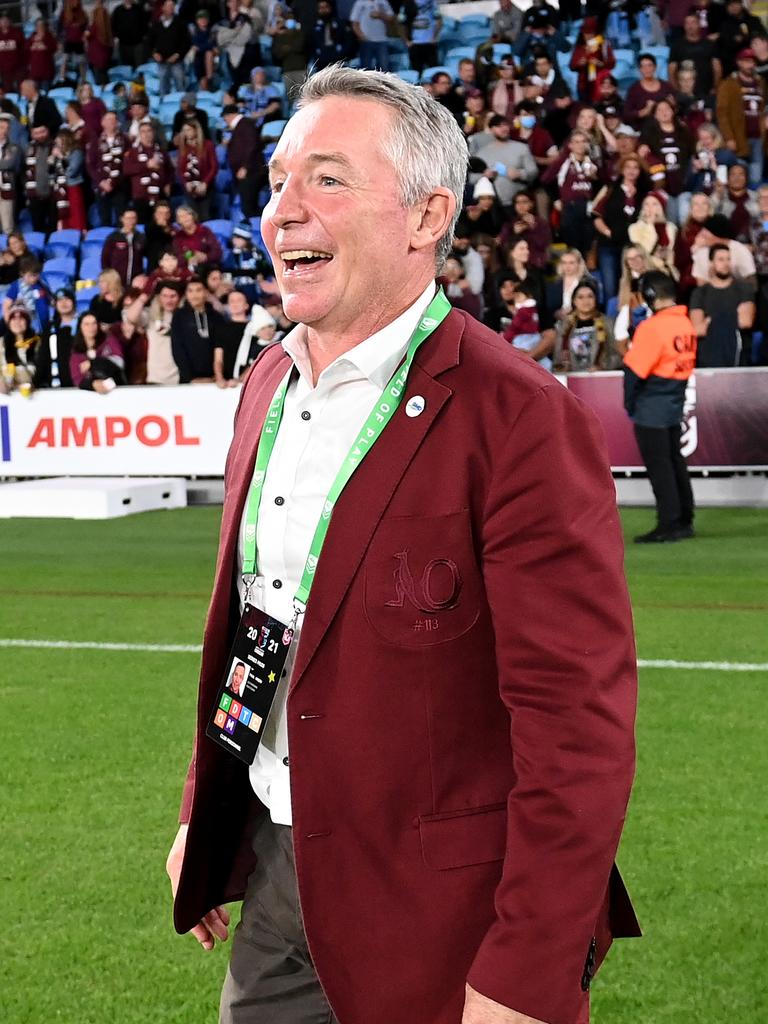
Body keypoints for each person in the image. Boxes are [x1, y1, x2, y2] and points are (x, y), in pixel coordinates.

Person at [167, 65, 638, 1024]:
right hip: (277, 871)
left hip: (443, 911)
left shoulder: (519, 416)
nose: (282, 212)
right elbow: (263, 623)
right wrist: (205, 806)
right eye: (277, 180)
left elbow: (576, 728)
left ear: (427, 216)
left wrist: (526, 972)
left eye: (326, 180)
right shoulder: (266, 385)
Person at [623, 271, 697, 543]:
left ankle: (668, 523)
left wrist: (630, 402)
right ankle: (685, 518)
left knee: (660, 465)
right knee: (674, 459)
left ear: (651, 295)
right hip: (674, 397)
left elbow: (634, 371)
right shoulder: (685, 324)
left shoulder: (653, 327)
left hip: (652, 400)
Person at [592, 153, 646, 304]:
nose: (631, 171)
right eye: (628, 167)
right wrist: (609, 233)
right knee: (610, 287)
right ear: (622, 170)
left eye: (635, 168)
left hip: (631, 248)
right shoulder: (610, 189)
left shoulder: (643, 193)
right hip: (609, 245)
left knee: (631, 284)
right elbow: (596, 216)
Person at [689, 243, 756, 365]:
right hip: (708, 358)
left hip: (738, 357)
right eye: (720, 259)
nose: (726, 263)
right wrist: (733, 316)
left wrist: (709, 320)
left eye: (728, 259)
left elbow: (746, 321)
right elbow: (698, 329)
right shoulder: (700, 293)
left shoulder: (744, 289)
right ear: (711, 262)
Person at [716, 46, 767, 184]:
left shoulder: (761, 83)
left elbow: (764, 108)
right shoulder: (728, 84)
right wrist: (729, 137)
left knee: (756, 177)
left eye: (752, 62)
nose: (750, 65)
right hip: (738, 138)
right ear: (739, 62)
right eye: (746, 61)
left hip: (758, 137)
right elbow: (722, 113)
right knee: (739, 177)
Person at [553, 281, 621, 372]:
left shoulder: (608, 323)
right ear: (574, 301)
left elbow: (618, 355)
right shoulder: (564, 325)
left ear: (596, 299)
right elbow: (557, 356)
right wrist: (562, 367)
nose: (586, 301)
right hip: (572, 378)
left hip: (600, 378)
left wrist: (602, 366)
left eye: (590, 296)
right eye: (580, 297)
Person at [170, 276, 224, 382]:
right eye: (190, 291)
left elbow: (220, 346)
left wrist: (218, 375)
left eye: (198, 290)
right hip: (188, 381)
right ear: (186, 294)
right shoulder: (179, 316)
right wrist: (191, 378)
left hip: (214, 379)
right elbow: (177, 348)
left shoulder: (217, 317)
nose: (194, 295)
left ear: (205, 292)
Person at [222, 103, 267, 218]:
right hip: (246, 173)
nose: (225, 121)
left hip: (251, 172)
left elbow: (251, 146)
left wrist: (245, 167)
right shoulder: (242, 126)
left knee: (249, 208)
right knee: (248, 207)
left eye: (225, 118)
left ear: (229, 116)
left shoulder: (245, 124)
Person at [87, 110, 129, 228]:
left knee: (122, 219)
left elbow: (127, 163)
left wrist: (115, 181)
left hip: (120, 186)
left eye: (114, 120)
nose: (112, 122)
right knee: (105, 219)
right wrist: (101, 182)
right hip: (101, 186)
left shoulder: (125, 140)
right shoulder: (95, 142)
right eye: (109, 119)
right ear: (103, 123)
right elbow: (91, 165)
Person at [69, 311, 126, 392]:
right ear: (80, 327)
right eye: (86, 324)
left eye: (94, 323)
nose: (91, 327)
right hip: (91, 393)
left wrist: (93, 363)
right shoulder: (77, 352)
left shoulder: (109, 340)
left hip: (117, 388)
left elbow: (119, 363)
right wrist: (92, 384)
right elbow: (77, 378)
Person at [35, 288, 79, 389]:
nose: (64, 303)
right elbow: (44, 356)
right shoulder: (50, 328)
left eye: (67, 299)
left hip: (80, 380)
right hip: (58, 382)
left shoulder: (84, 323)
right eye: (60, 300)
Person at [148, 0, 190, 96]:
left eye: (172, 6)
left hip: (177, 61)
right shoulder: (156, 24)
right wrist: (154, 53)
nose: (171, 8)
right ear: (163, 8)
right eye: (168, 6)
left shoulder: (181, 23)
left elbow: (186, 42)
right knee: (163, 87)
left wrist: (177, 54)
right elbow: (149, 42)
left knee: (180, 86)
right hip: (161, 61)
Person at [176, 127, 218, 223]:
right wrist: (186, 183)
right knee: (192, 217)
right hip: (189, 188)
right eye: (184, 130)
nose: (186, 132)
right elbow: (180, 169)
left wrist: (205, 183)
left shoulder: (208, 145)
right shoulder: (183, 147)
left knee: (205, 216)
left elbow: (214, 166)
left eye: (189, 129)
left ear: (196, 130)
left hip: (206, 187)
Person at [102, 207, 147, 286]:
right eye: (128, 218)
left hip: (135, 282)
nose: (131, 221)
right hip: (117, 281)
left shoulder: (141, 237)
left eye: (134, 218)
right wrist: (109, 276)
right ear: (122, 219)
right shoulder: (113, 237)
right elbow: (105, 259)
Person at [173, 206, 223, 271]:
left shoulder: (205, 231)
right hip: (188, 270)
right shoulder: (178, 236)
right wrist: (189, 257)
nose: (185, 218)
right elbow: (177, 257)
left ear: (193, 216)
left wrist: (206, 257)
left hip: (208, 267)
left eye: (187, 214)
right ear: (178, 221)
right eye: (181, 216)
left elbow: (217, 252)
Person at [350, 0, 395, 71]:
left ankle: (382, 82)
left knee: (384, 69)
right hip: (366, 41)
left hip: (382, 40)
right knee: (366, 69)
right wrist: (361, 36)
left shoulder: (383, 2)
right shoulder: (360, 2)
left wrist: (381, 15)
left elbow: (391, 17)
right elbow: (354, 22)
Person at [0, 113, 21, 233]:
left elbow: (9, 164)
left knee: (7, 226)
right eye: (1, 127)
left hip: (6, 190)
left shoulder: (13, 147)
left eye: (6, 128)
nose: (4, 131)